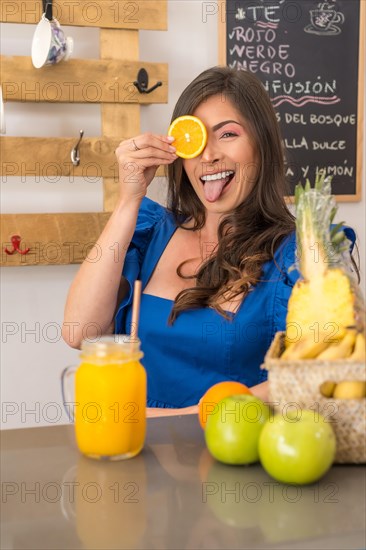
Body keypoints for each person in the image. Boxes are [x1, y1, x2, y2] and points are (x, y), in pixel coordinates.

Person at [62, 66, 354, 415]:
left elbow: (321, 374)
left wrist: (175, 420)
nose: (208, 155)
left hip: (235, 455)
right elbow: (81, 333)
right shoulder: (150, 231)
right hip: (135, 456)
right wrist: (128, 201)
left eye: (228, 134)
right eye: (196, 138)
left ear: (262, 146)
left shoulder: (303, 254)